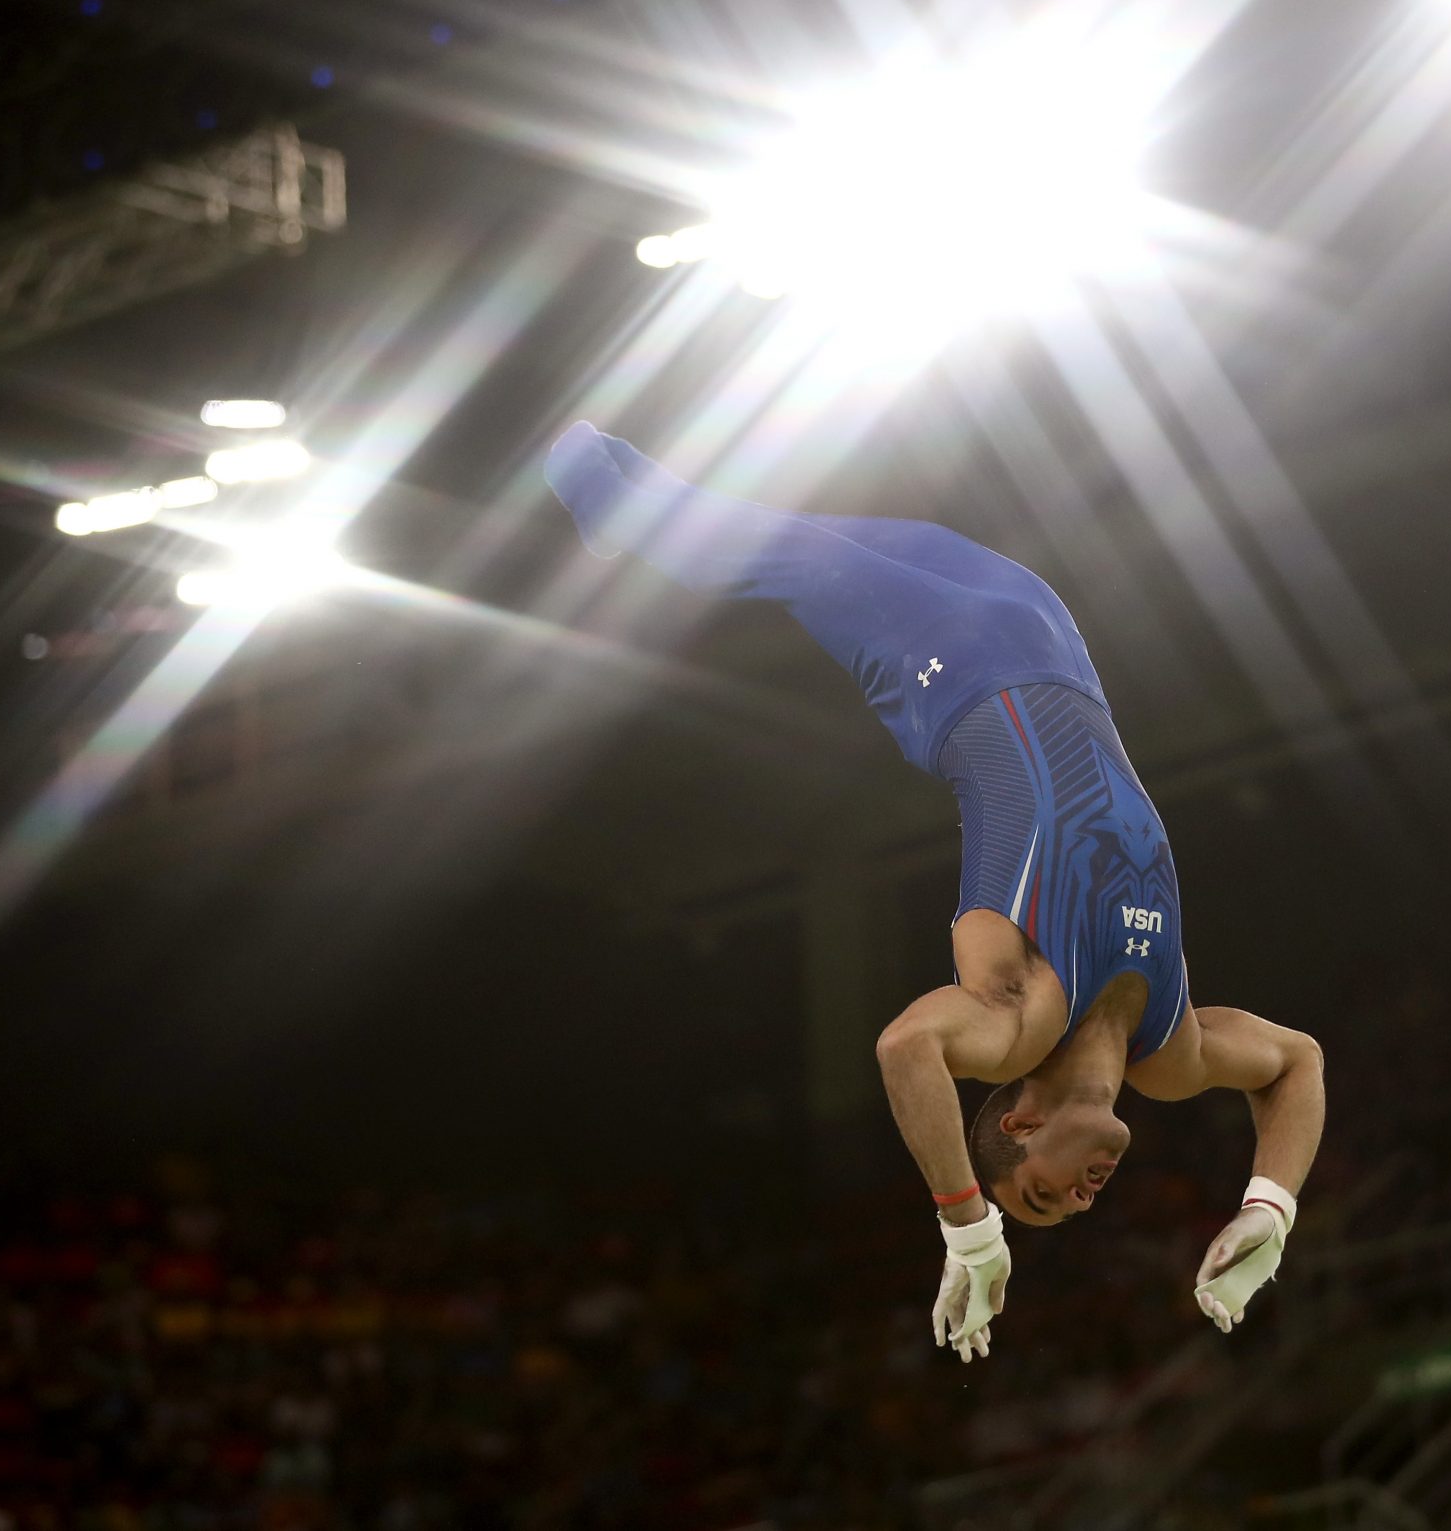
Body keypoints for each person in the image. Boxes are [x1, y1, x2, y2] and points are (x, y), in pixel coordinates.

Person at [544, 422, 1325, 1363]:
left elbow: (907, 1044)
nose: (1082, 1200)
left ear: (1021, 1120)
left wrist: (968, 1226)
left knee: (764, 547)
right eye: (1067, 1208)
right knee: (779, 528)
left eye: (1040, 1192)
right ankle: (623, 503)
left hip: (951, 671)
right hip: (1053, 641)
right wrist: (1269, 1208)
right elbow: (1297, 1063)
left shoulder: (1019, 1018)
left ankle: (566, 455)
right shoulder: (1175, 1049)